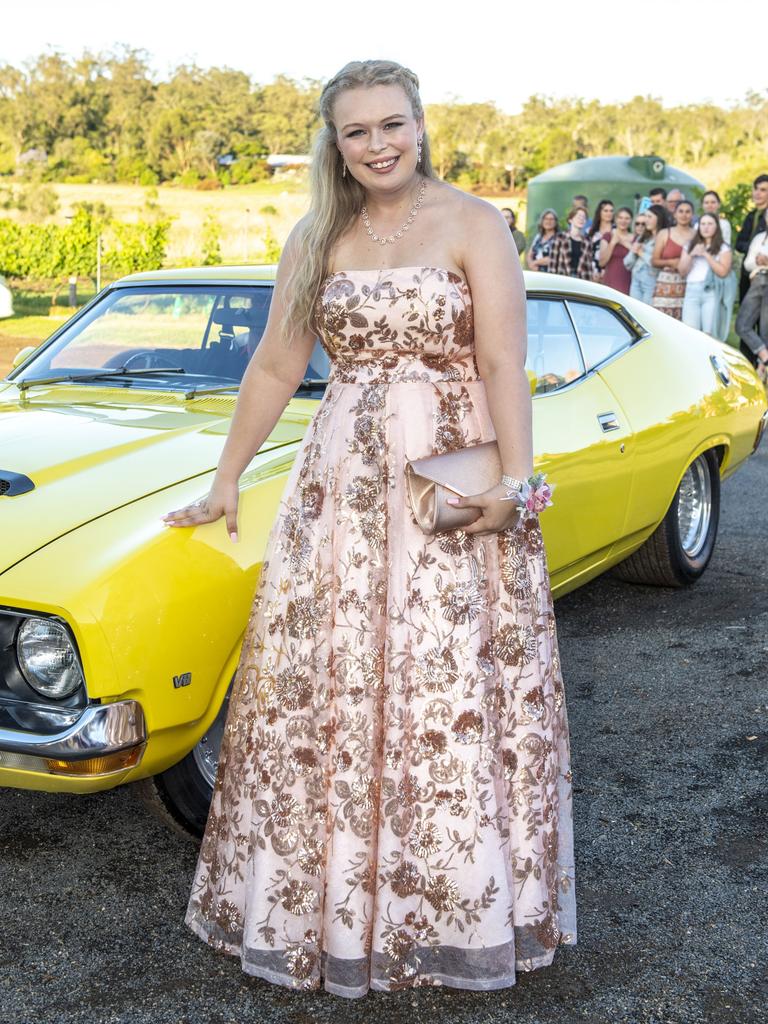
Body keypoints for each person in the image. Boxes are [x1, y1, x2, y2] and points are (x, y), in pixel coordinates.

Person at [166, 58, 577, 998]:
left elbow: (504, 362)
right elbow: (276, 365)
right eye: (357, 131)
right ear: (334, 141)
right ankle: (334, 913)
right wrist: (226, 477)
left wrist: (517, 485)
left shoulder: (476, 223)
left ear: (421, 124)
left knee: (447, 688)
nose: (378, 144)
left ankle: (455, 908)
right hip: (342, 490)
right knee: (335, 685)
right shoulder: (319, 232)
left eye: (393, 124)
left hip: (447, 482)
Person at [679, 212, 733, 336]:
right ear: (698, 226)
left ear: (716, 227)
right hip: (691, 291)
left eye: (710, 224)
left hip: (711, 292)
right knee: (690, 333)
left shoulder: (723, 247)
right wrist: (692, 254)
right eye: (703, 224)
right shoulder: (689, 245)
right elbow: (682, 271)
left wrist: (706, 255)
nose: (706, 227)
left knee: (709, 334)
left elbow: (723, 272)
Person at [699, 190, 737, 340]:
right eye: (706, 202)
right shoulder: (698, 223)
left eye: (713, 202)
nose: (710, 205)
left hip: (717, 271)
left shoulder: (723, 224)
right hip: (700, 274)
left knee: (715, 318)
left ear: (719, 204)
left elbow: (722, 247)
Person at [651, 199, 696, 319]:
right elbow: (654, 260)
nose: (684, 215)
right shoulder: (665, 233)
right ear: (675, 214)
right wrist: (671, 262)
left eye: (688, 212)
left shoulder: (697, 235)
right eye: (680, 211)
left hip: (687, 284)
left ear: (692, 215)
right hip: (665, 285)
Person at [734, 226, 768, 376]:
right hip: (758, 280)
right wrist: (758, 260)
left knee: (765, 328)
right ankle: (765, 357)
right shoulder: (759, 238)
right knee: (742, 324)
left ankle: (762, 369)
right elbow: (747, 264)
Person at [735, 174, 768, 302]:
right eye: (756, 189)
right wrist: (754, 252)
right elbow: (739, 243)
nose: (758, 193)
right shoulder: (751, 215)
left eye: (763, 190)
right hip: (748, 272)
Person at [624, 205, 666, 303]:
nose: (646, 220)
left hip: (652, 281)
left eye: (649, 217)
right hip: (635, 280)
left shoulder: (663, 237)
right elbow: (627, 263)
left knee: (647, 314)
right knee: (634, 313)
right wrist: (634, 252)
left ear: (659, 218)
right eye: (646, 217)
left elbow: (658, 264)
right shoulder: (643, 237)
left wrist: (641, 253)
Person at [550, 207, 597, 279]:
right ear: (570, 220)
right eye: (579, 216)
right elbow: (553, 264)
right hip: (562, 280)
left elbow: (588, 266)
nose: (581, 219)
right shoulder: (560, 238)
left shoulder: (587, 241)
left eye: (584, 217)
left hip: (582, 281)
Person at [599, 206, 634, 293]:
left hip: (629, 281)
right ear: (616, 219)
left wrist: (625, 243)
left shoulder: (635, 238)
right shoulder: (608, 236)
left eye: (627, 218)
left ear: (631, 220)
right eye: (620, 218)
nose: (623, 221)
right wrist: (612, 243)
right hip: (611, 281)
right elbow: (601, 262)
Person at [587, 199, 615, 280]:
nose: (609, 213)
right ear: (600, 212)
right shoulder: (591, 231)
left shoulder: (616, 231)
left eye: (611, 211)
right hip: (593, 271)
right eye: (605, 211)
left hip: (611, 270)